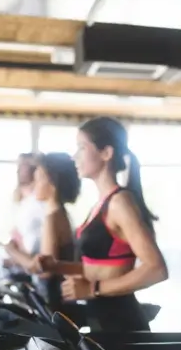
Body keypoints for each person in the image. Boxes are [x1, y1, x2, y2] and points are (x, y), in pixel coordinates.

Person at [34, 116, 168, 332]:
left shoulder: (120, 202)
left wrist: (94, 289)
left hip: (121, 322)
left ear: (106, 153)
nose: (74, 156)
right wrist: (56, 266)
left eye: (81, 148)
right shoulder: (102, 203)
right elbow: (101, 268)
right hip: (102, 317)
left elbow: (156, 269)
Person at [2, 152, 81, 309]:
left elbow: (45, 269)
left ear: (52, 184)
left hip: (54, 302)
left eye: (38, 180)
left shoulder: (52, 217)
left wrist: (12, 251)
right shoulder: (57, 213)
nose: (34, 185)